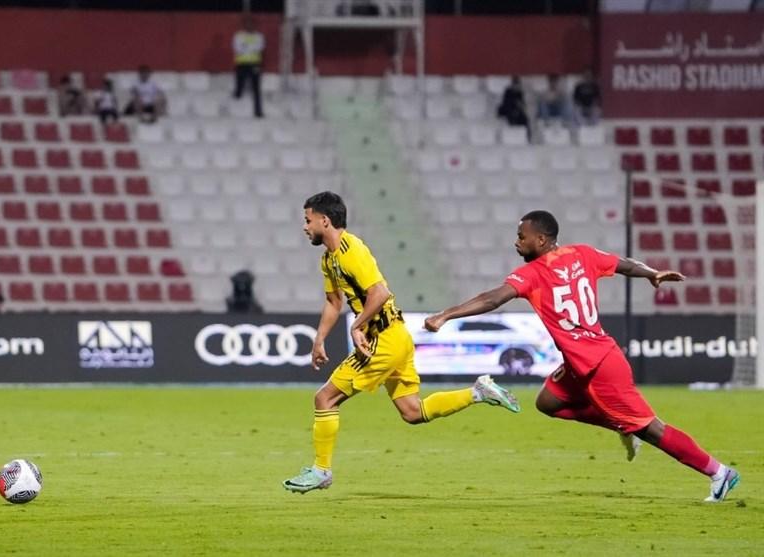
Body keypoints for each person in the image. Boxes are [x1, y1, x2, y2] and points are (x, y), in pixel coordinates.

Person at [424, 210, 740, 503]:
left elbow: (492, 299)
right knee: (548, 402)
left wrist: (446, 314)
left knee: (651, 429)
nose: (516, 242)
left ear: (541, 240)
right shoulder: (582, 254)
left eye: (522, 236)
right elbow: (624, 264)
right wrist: (650, 273)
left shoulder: (532, 274)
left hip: (600, 366)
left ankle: (718, 472)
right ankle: (622, 426)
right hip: (580, 361)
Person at [282, 192, 520, 494]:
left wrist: (357, 325)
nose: (305, 227)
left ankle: (321, 470)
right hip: (395, 336)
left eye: (308, 220)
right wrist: (319, 339)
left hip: (384, 339)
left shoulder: (351, 249)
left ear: (324, 220)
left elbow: (379, 293)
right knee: (412, 412)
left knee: (324, 399)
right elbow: (333, 301)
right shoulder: (329, 259)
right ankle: (478, 392)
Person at [232, 15, 265, 118]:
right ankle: (235, 105)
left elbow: (259, 48)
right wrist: (250, 48)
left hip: (254, 64)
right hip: (242, 64)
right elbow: (237, 48)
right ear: (244, 25)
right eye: (247, 24)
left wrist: (246, 47)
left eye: (251, 24)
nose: (249, 26)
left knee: (256, 89)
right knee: (239, 87)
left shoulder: (259, 36)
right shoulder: (239, 36)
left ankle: (258, 112)